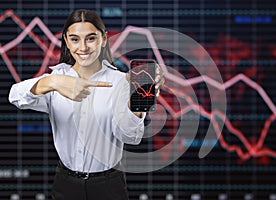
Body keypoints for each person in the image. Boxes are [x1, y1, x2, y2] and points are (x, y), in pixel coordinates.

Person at [8, 9, 164, 200]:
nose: (83, 47)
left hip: (109, 185)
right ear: (66, 40)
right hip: (65, 183)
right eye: (75, 39)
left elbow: (130, 136)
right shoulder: (56, 78)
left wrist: (136, 107)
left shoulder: (121, 82)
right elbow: (15, 96)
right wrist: (53, 82)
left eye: (91, 38)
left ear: (103, 39)